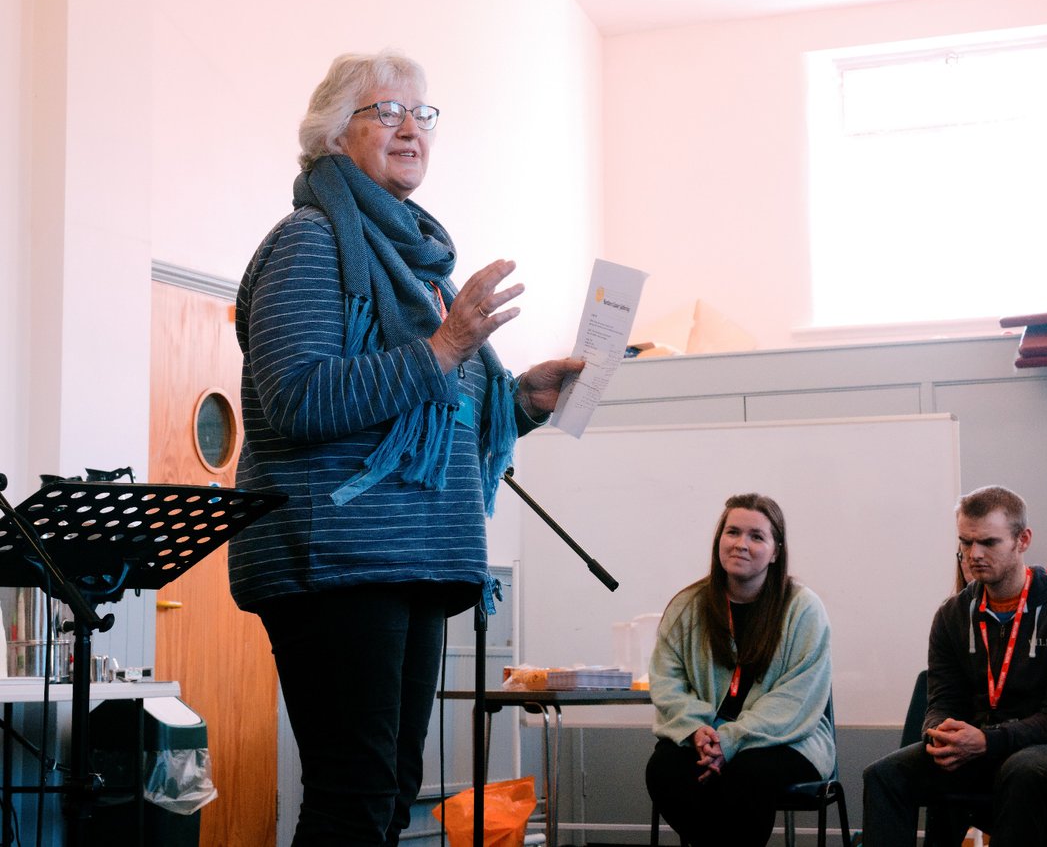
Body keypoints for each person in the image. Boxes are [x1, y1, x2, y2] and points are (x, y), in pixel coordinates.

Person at [229, 49, 583, 846]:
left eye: (421, 114)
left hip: (418, 554)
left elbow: (435, 413)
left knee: (391, 791)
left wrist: (522, 401)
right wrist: (444, 349)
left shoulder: (419, 269)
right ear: (331, 136)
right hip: (337, 558)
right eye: (385, 111)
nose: (410, 128)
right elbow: (296, 397)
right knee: (352, 793)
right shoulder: (310, 243)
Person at [862, 485, 1047, 847]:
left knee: (1022, 770)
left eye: (988, 542)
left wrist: (987, 741)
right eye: (965, 542)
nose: (973, 554)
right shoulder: (952, 615)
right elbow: (941, 699)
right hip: (974, 745)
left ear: (1023, 540)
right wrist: (939, 733)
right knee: (884, 776)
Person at [644, 493, 835, 847]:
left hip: (788, 739)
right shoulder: (688, 606)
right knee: (665, 768)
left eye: (756, 536)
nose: (741, 545)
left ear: (776, 551)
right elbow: (667, 681)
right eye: (732, 532)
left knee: (747, 773)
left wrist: (732, 740)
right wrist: (697, 730)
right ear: (719, 539)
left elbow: (796, 697)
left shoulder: (803, 609)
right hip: (704, 735)